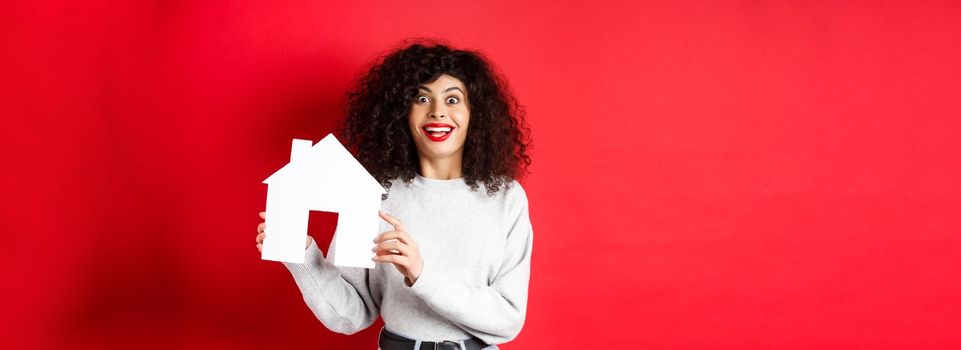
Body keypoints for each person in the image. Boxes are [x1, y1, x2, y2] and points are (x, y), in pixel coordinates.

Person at [255, 40, 534, 350]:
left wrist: (421, 274)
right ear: (402, 112)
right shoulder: (373, 193)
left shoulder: (507, 199)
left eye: (453, 99)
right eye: (421, 98)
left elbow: (507, 320)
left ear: (475, 113)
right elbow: (350, 316)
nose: (438, 112)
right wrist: (303, 256)